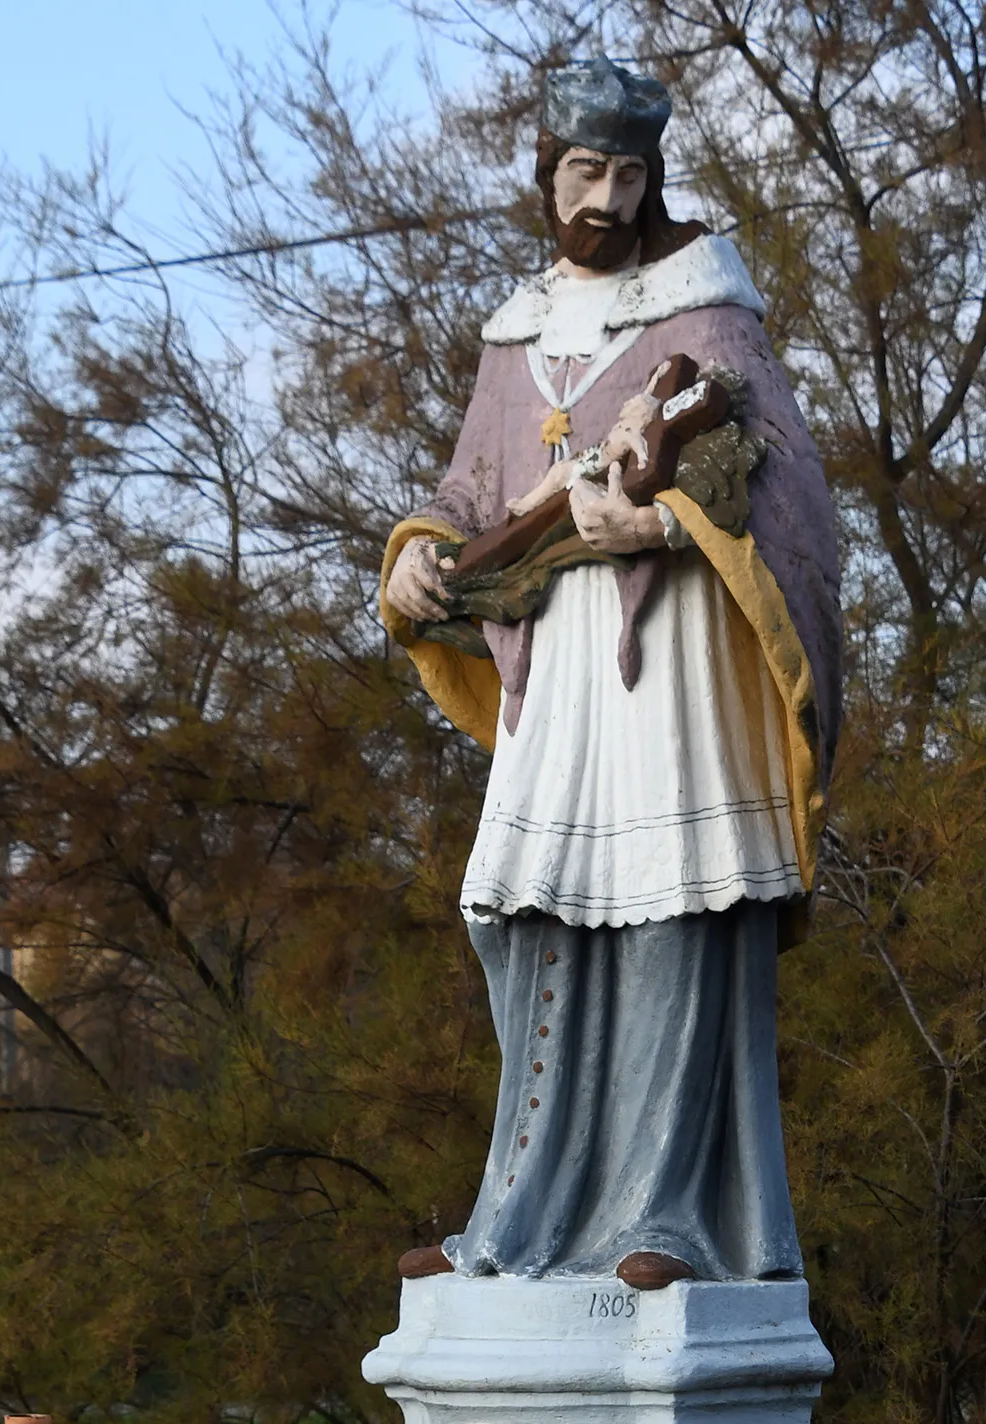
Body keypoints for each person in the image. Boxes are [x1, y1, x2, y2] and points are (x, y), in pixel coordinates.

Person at [382, 58, 842, 1289]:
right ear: (547, 174)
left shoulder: (705, 307)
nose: (607, 194)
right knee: (525, 913)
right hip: (561, 674)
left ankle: (669, 1218)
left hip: (673, 663)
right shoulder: (517, 329)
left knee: (678, 906)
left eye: (629, 172)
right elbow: (470, 491)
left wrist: (666, 525)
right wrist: (420, 558)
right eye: (585, 170)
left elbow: (792, 492)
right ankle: (520, 1220)